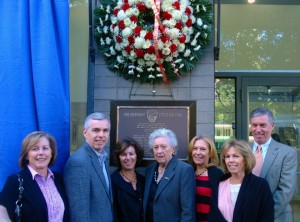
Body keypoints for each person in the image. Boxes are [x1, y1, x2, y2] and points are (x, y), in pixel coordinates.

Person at [0, 131, 69, 222]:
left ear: (52, 153)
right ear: (27, 155)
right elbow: (1, 213)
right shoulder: (15, 181)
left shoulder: (58, 180)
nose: (41, 153)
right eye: (35, 149)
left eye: (45, 148)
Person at [249, 107, 297, 222]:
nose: (258, 129)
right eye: (254, 125)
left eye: (263, 125)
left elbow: (286, 190)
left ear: (272, 125)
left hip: (276, 216)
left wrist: (263, 214)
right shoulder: (242, 150)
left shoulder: (287, 153)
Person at [64, 112, 113, 222]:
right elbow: (79, 212)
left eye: (105, 130)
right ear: (85, 133)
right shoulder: (79, 162)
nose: (101, 135)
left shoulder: (101, 157)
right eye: (96, 130)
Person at [209, 139, 274, 222]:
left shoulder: (260, 186)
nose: (231, 160)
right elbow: (213, 216)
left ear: (246, 159)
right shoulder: (219, 184)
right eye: (227, 156)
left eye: (236, 156)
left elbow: (267, 217)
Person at [143, 128, 196, 222]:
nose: (159, 151)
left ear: (173, 149)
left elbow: (188, 211)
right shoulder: (150, 170)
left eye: (163, 146)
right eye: (156, 147)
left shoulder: (184, 170)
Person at [187, 135, 224, 222]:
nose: (198, 152)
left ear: (210, 153)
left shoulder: (216, 174)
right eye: (195, 148)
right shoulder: (188, 172)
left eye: (202, 149)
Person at [111, 137, 145, 222]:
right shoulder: (112, 181)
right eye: (123, 154)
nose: (128, 158)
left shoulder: (143, 180)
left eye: (131, 154)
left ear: (137, 157)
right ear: (118, 157)